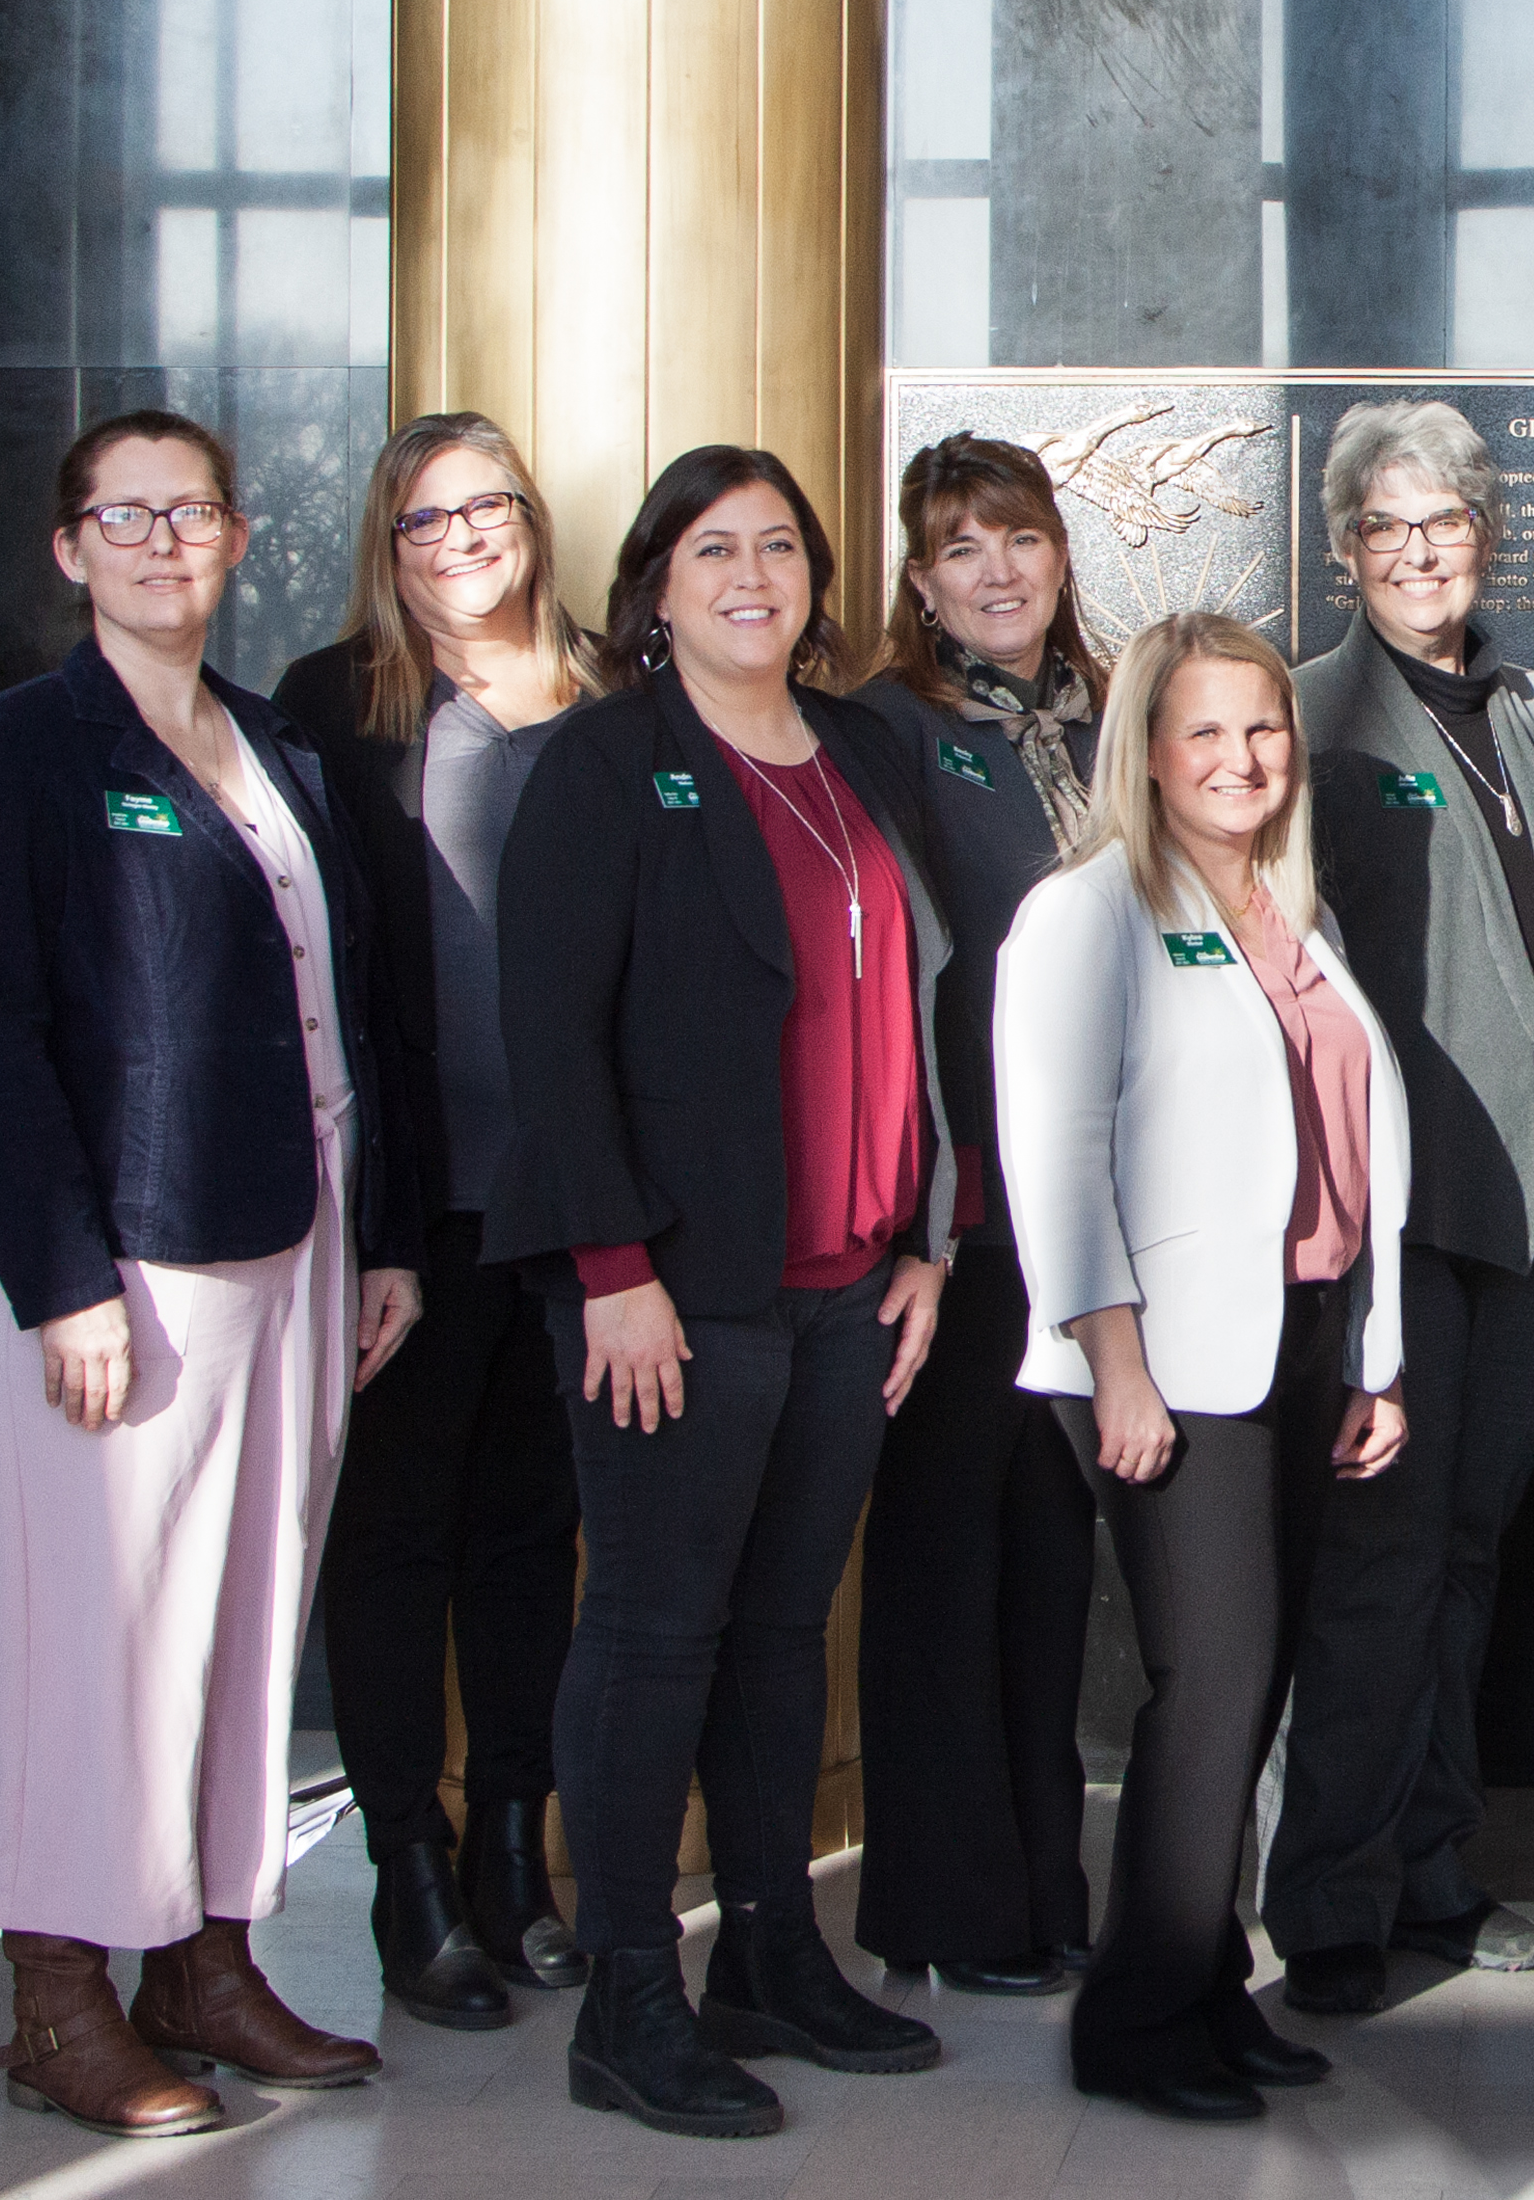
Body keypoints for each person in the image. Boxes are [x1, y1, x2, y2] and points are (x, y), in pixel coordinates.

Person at [0, 410, 423, 2135]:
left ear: (232, 539)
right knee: (98, 1644)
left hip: (300, 1238)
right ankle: (58, 2001)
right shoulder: (24, 753)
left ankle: (203, 1966)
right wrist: (59, 1279)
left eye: (188, 512)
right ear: (70, 552)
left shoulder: (272, 742)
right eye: (120, 517)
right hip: (121, 1269)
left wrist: (386, 1245)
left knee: (242, 1629)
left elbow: (345, 1002)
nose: (157, 542)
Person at [491, 447, 955, 2139]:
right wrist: (610, 1269)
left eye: (778, 545)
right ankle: (630, 1991)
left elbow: (916, 1007)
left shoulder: (861, 754)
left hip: (847, 1286)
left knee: (778, 1633)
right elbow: (551, 1031)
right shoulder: (610, 765)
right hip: (679, 1287)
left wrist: (928, 1239)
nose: (751, 573)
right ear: (657, 587)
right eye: (714, 548)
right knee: (653, 1630)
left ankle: (768, 1947)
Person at [995, 612, 1412, 2124]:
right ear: (1148, 753)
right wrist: (1114, 1363)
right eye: (1205, 733)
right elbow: (1057, 1156)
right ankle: (1136, 2022)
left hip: (1295, 1337)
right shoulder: (1088, 913)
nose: (1242, 758)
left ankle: (1205, 1992)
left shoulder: (1286, 905)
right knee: (1210, 1681)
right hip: (1164, 1354)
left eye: (1264, 729)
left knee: (1255, 1682)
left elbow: (1347, 1149)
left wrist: (1372, 1354)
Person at [1266, 403, 1534, 2011]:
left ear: (1486, 536)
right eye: (1384, 531)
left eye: (1445, 525)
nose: (1417, 553)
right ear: (1343, 551)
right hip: (1404, 1221)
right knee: (1381, 1565)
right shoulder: (1308, 718)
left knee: (1466, 1553)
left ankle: (1435, 1871)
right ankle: (1334, 1905)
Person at [281, 412, 606, 2031]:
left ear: (531, 522)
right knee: (397, 1540)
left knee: (530, 1547)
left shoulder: (625, 691)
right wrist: (367, 1226)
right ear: (387, 548)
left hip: (582, 1218)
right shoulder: (335, 708)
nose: (461, 539)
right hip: (413, 1214)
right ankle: (408, 1866)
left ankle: (515, 1860)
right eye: (424, 521)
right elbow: (310, 981)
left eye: (485, 508)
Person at [839, 434, 1108, 1999]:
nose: (996, 572)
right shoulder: (887, 732)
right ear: (921, 582)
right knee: (946, 1553)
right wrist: (926, 1208)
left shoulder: (1109, 714)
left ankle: (1042, 1885)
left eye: (1018, 539)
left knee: (1052, 1560)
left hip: (1092, 1221)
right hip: (961, 1219)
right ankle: (945, 1906)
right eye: (960, 549)